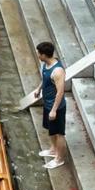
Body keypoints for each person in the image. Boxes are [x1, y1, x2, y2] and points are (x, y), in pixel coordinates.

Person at [33, 41, 66, 169]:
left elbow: (60, 92)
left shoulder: (57, 71)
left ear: (44, 55)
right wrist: (38, 88)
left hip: (56, 107)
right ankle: (53, 150)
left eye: (39, 53)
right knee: (50, 130)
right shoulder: (45, 65)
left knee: (59, 133)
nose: (37, 55)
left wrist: (54, 110)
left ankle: (59, 159)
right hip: (47, 104)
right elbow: (45, 79)